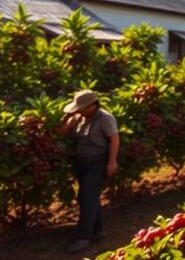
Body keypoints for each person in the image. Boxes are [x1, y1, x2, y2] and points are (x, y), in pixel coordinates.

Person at [58, 89, 119, 254]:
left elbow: (114, 139)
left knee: (87, 197)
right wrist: (68, 117)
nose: (79, 111)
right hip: (81, 163)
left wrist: (112, 162)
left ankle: (83, 237)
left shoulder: (105, 118)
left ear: (93, 105)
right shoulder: (79, 117)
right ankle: (98, 230)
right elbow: (62, 132)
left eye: (82, 108)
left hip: (97, 163)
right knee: (87, 197)